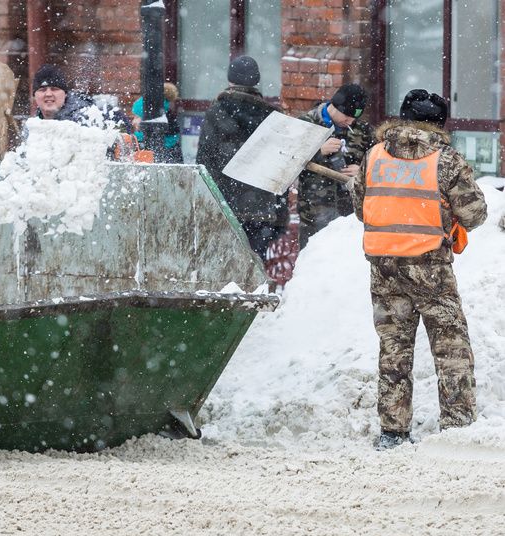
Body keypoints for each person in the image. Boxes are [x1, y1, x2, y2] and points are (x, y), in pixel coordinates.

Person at [350, 89, 488, 450]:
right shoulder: (447, 161)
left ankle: (392, 433)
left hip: (383, 267)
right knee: (450, 347)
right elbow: (475, 215)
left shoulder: (374, 155)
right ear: (440, 124)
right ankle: (457, 429)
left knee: (394, 349)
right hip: (429, 268)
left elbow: (360, 207)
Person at [195, 55, 289, 263]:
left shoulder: (217, 112)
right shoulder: (274, 116)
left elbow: (204, 164)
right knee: (256, 271)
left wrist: (205, 207)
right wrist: (280, 216)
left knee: (225, 270)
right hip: (263, 211)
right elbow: (283, 170)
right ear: (256, 82)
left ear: (231, 81)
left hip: (226, 209)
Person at [297, 83, 375, 249]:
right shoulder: (306, 124)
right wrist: (318, 152)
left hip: (351, 219)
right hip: (314, 215)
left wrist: (364, 171)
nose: (350, 121)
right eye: (347, 115)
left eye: (354, 118)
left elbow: (382, 163)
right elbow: (287, 163)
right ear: (335, 105)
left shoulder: (364, 130)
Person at [29, 64, 132, 132]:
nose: (48, 94)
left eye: (54, 89)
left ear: (65, 94)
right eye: (42, 90)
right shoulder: (31, 127)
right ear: (34, 96)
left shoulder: (85, 118)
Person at [131, 82, 183, 164]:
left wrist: (134, 138)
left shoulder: (143, 142)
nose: (133, 121)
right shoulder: (170, 137)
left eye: (137, 117)